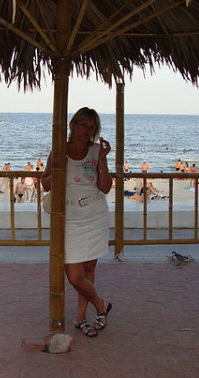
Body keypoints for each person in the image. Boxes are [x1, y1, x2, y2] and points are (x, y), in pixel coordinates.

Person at [41, 107, 112, 338]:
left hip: (95, 214)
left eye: (92, 127)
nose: (87, 130)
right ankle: (101, 305)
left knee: (89, 268)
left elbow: (105, 187)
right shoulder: (59, 150)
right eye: (83, 124)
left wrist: (103, 159)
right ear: (73, 125)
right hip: (70, 218)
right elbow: (45, 183)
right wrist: (59, 170)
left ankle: (80, 318)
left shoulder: (96, 151)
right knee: (74, 275)